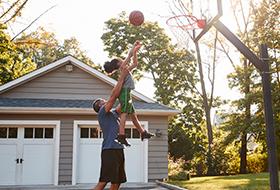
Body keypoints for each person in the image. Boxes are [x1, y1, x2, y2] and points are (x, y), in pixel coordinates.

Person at [103, 40, 154, 146]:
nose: (123, 59)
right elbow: (129, 55)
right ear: (119, 63)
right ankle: (121, 135)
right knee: (124, 113)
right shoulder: (122, 68)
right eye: (121, 59)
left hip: (127, 93)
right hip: (124, 92)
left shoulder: (125, 70)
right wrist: (134, 46)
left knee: (133, 115)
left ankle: (143, 133)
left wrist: (135, 52)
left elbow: (135, 63)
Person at [92, 66, 129, 190]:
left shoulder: (113, 113)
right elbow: (113, 96)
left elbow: (123, 102)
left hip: (118, 149)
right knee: (103, 182)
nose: (106, 101)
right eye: (104, 101)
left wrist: (127, 83)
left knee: (117, 182)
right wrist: (121, 77)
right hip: (109, 150)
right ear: (101, 105)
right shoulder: (102, 113)